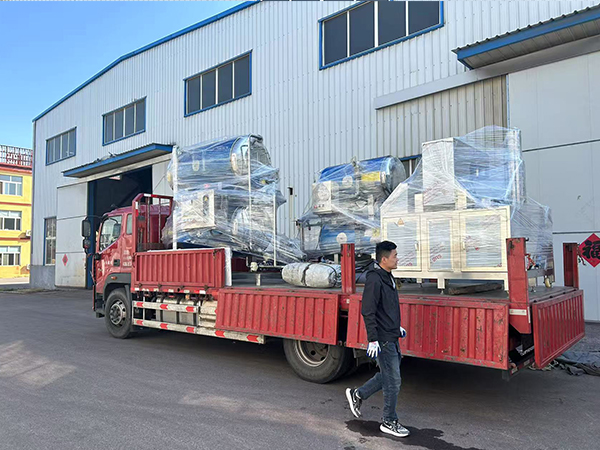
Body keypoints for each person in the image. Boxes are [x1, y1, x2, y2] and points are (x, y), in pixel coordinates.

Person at [345, 240, 409, 438]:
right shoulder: (374, 279)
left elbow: (387, 306)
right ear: (384, 259)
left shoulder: (387, 275)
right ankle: (389, 421)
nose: (397, 259)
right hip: (383, 339)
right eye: (395, 256)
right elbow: (368, 310)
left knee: (388, 375)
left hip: (391, 334)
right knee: (393, 381)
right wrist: (373, 339)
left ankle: (358, 394)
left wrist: (396, 327)